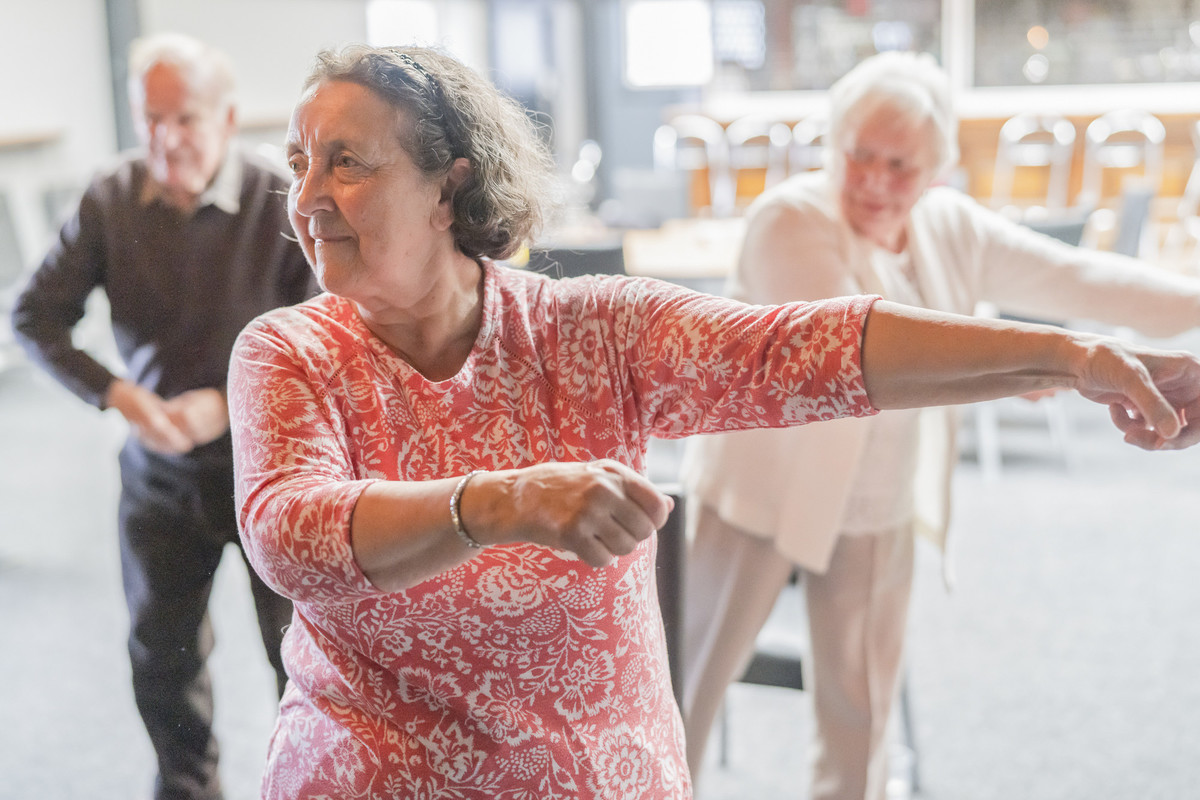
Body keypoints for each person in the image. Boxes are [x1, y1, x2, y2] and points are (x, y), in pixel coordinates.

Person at [226, 43, 1200, 800]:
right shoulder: (286, 353)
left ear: (450, 185)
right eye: (300, 161)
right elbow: (289, 534)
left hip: (597, 776)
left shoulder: (586, 329)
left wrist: (1072, 357)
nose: (305, 199)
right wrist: (502, 499)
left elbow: (810, 350)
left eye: (345, 163)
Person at [680, 50, 1200, 800]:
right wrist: (1028, 364)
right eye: (859, 155)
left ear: (936, 172)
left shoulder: (947, 224)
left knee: (861, 719)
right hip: (761, 496)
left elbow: (1079, 278)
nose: (875, 182)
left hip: (876, 505)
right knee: (690, 690)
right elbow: (858, 360)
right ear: (834, 144)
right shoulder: (787, 220)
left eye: (902, 166)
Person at [11, 32, 313, 800]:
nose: (163, 138)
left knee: (302, 656)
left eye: (183, 118)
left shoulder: (283, 200)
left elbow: (329, 336)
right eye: (151, 118)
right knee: (164, 659)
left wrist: (230, 401)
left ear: (228, 117)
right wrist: (121, 396)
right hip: (158, 471)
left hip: (271, 473)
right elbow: (34, 317)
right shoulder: (110, 196)